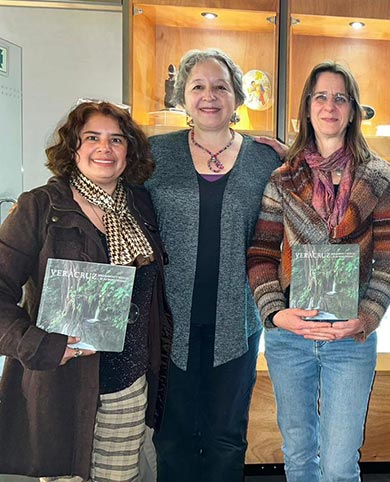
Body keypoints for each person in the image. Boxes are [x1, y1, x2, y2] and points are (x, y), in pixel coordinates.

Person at [247, 61, 390, 482]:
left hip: (349, 339)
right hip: (289, 338)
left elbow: (389, 256)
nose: (330, 106)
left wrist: (365, 319)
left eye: (340, 97)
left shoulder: (379, 177)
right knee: (298, 457)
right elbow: (261, 252)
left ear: (353, 110)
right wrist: (276, 314)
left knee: (338, 464)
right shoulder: (283, 178)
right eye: (321, 96)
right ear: (307, 107)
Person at [0, 100, 172, 481]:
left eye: (116, 139)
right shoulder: (41, 207)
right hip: (60, 388)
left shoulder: (140, 207)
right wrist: (40, 345)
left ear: (130, 150)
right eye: (91, 137)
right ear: (73, 147)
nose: (104, 149)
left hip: (126, 387)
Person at [146, 48, 280, 482]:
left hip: (237, 321)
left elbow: (313, 189)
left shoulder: (265, 158)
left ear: (237, 97)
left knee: (226, 437)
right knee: (172, 436)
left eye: (220, 86)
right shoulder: (153, 155)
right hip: (168, 320)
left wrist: (294, 151)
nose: (209, 95)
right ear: (183, 98)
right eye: (197, 86)